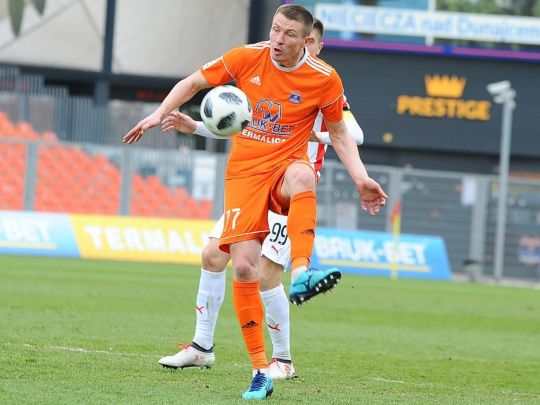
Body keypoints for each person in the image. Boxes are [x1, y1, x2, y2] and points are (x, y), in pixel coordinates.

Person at [123, 4, 387, 400]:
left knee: (300, 183)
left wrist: (360, 177)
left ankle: (303, 276)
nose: (278, 40)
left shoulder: (325, 79)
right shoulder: (247, 57)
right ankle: (257, 369)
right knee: (241, 265)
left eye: (289, 34)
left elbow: (344, 133)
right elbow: (194, 84)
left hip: (287, 170)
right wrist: (160, 113)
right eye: (275, 30)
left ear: (307, 41)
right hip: (245, 176)